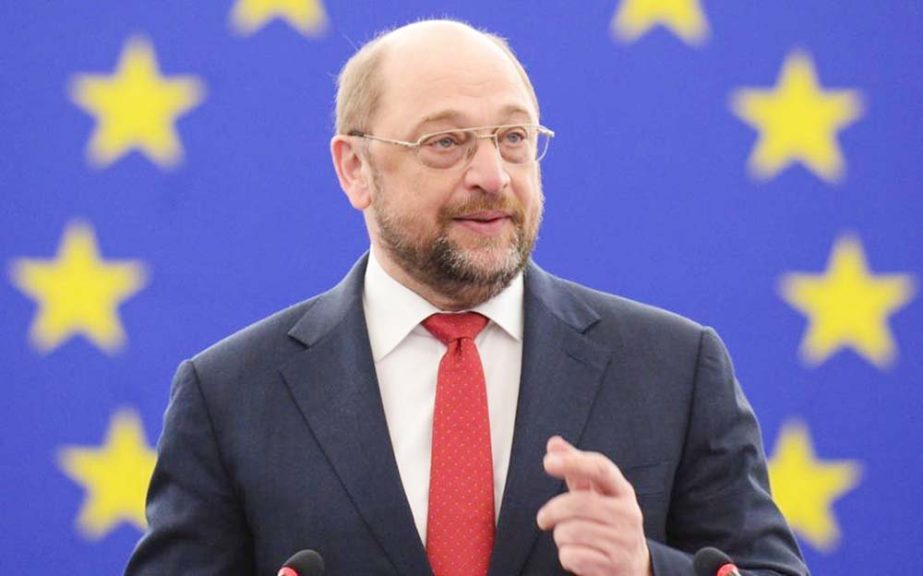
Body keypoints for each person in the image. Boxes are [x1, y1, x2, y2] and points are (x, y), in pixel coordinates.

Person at [125, 19, 808, 576]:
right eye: (445, 142)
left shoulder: (674, 367)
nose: (492, 175)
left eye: (513, 138)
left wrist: (645, 569)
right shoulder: (229, 394)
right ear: (354, 168)